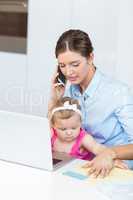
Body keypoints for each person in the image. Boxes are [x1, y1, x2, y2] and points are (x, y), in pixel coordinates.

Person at [49, 29, 133, 176]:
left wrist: (110, 153)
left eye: (74, 64)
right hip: (82, 166)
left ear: (90, 57)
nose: (68, 72)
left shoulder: (118, 92)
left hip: (116, 168)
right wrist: (55, 98)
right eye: (62, 66)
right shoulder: (70, 92)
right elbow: (55, 130)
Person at [48, 96, 127, 177]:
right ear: (54, 126)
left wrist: (112, 159)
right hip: (58, 172)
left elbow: (98, 148)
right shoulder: (51, 134)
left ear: (80, 123)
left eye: (74, 128)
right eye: (63, 129)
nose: (69, 132)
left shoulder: (84, 138)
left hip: (80, 173)